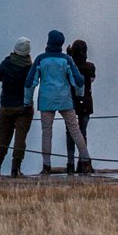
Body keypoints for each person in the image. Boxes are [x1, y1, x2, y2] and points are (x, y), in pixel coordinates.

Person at [27, 30, 90, 174]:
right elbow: (79, 81)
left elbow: (30, 83)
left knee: (46, 132)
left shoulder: (41, 59)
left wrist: (27, 101)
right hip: (65, 100)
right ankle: (86, 160)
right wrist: (79, 96)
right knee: (75, 130)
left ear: (49, 41)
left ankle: (46, 166)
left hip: (46, 100)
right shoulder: (66, 60)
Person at [0, 39, 35, 178]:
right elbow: (31, 83)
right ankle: (16, 168)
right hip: (24, 107)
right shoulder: (29, 66)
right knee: (20, 139)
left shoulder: (7, 62)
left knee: (3, 139)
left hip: (6, 106)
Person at [68, 39, 96, 163]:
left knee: (70, 132)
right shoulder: (90, 66)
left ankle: (70, 162)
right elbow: (92, 79)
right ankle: (83, 161)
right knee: (82, 132)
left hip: (70, 102)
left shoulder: (69, 65)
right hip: (86, 101)